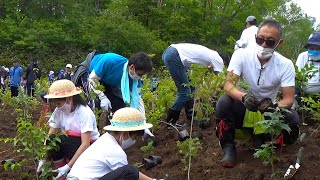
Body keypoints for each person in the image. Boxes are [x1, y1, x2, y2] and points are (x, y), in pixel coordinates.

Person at [215, 19, 300, 168]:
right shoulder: (241, 55)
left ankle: (266, 139)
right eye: (260, 40)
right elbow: (228, 85)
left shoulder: (285, 64)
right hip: (244, 106)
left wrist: (273, 106)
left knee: (292, 118)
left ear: (279, 43)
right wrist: (243, 96)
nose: (263, 45)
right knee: (224, 103)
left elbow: (288, 99)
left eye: (270, 42)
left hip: (268, 111)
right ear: (255, 37)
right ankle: (229, 148)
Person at [67, 107, 154, 180]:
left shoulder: (104, 140)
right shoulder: (114, 150)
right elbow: (129, 174)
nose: (134, 141)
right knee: (128, 171)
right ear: (125, 133)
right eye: (134, 137)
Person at [38, 79, 100, 179]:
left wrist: (67, 167)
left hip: (89, 148)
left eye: (58, 103)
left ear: (69, 99)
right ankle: (61, 173)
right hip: (71, 143)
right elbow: (50, 135)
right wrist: (43, 158)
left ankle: (71, 170)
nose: (57, 107)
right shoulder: (59, 111)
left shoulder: (84, 112)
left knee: (63, 140)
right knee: (52, 140)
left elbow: (85, 144)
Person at [87, 52, 155, 140]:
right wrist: (102, 97)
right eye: (140, 74)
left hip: (111, 83)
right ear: (131, 67)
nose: (140, 77)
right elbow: (92, 79)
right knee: (96, 105)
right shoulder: (110, 61)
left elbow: (137, 99)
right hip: (93, 75)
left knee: (119, 106)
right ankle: (94, 137)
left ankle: (111, 135)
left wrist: (143, 124)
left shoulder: (133, 80)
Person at [162, 43, 224, 127]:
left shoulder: (208, 55)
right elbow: (221, 81)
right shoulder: (218, 59)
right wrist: (214, 96)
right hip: (175, 55)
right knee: (184, 92)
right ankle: (170, 122)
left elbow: (195, 78)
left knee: (191, 87)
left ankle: (191, 116)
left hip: (171, 53)